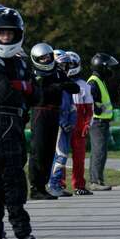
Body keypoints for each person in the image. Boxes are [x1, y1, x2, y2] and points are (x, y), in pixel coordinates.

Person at [0, 8, 42, 239]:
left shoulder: (21, 62)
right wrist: (24, 87)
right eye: (1, 33)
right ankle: (23, 233)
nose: (5, 37)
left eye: (9, 33)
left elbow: (37, 95)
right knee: (13, 179)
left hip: (16, 121)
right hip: (0, 121)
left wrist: (23, 87)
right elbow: (4, 93)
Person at [28, 43, 79, 200]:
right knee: (39, 150)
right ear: (36, 59)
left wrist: (59, 85)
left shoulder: (56, 72)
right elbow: (38, 94)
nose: (46, 60)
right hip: (40, 111)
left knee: (50, 150)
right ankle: (35, 187)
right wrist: (57, 87)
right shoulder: (34, 74)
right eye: (42, 58)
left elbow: (74, 87)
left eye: (48, 57)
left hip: (54, 112)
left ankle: (43, 185)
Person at [47, 50, 78, 197]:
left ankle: (57, 183)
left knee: (63, 155)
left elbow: (71, 106)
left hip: (67, 123)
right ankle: (53, 184)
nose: (66, 68)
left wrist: (72, 121)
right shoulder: (57, 83)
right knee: (60, 155)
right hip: (60, 124)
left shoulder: (66, 84)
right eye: (64, 65)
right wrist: (63, 122)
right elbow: (56, 106)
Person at [87, 53, 118, 190]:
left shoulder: (99, 80)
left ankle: (98, 179)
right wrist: (98, 108)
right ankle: (94, 181)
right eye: (109, 67)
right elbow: (91, 99)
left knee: (101, 151)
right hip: (97, 122)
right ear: (102, 67)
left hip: (102, 122)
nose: (110, 70)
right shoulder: (94, 81)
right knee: (98, 151)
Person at [64, 51, 94, 195]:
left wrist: (88, 124)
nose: (67, 67)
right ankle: (59, 184)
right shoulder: (60, 83)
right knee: (60, 156)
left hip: (79, 125)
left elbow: (89, 109)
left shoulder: (84, 86)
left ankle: (79, 185)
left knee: (79, 158)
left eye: (69, 64)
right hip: (64, 124)